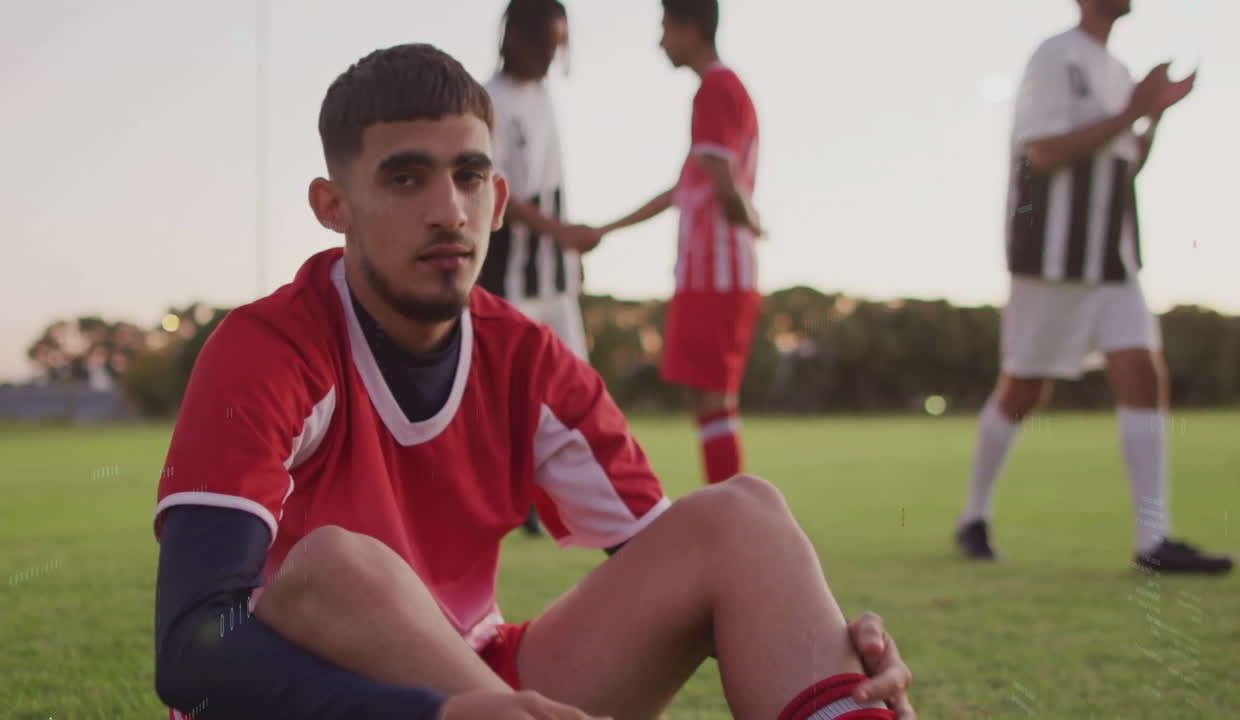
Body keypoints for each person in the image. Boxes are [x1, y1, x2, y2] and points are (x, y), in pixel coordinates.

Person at [152, 44, 915, 720]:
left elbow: (680, 568)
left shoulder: (528, 361)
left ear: (500, 200)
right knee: (330, 568)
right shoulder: (268, 348)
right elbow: (194, 650)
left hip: (480, 678)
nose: (448, 210)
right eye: (407, 178)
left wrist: (831, 653)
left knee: (742, 516)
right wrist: (443, 713)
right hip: (324, 699)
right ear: (334, 207)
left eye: (470, 176)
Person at [953, 0, 1231, 575]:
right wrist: (1133, 108)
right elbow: (1045, 150)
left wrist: (1154, 115)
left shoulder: (1119, 71)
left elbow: (1124, 164)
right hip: (1049, 257)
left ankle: (1152, 541)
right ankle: (972, 516)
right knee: (1024, 390)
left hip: (1113, 254)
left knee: (1142, 371)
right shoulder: (1054, 56)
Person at [599, 0, 762, 487]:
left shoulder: (715, 88)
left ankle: (730, 518)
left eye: (665, 28)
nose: (661, 40)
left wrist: (749, 217)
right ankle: (726, 511)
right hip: (707, 273)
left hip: (719, 272)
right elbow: (683, 190)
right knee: (708, 401)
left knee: (715, 398)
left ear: (689, 29)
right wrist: (604, 231)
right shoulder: (718, 91)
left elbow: (720, 175)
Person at [479, 0, 602, 536]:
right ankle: (517, 501)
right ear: (521, 38)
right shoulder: (489, 100)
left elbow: (551, 185)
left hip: (553, 274)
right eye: (548, 43)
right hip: (509, 271)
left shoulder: (545, 95)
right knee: (511, 390)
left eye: (561, 44)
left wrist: (566, 254)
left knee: (576, 384)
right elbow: (496, 189)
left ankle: (575, 498)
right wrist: (562, 235)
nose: (555, 55)